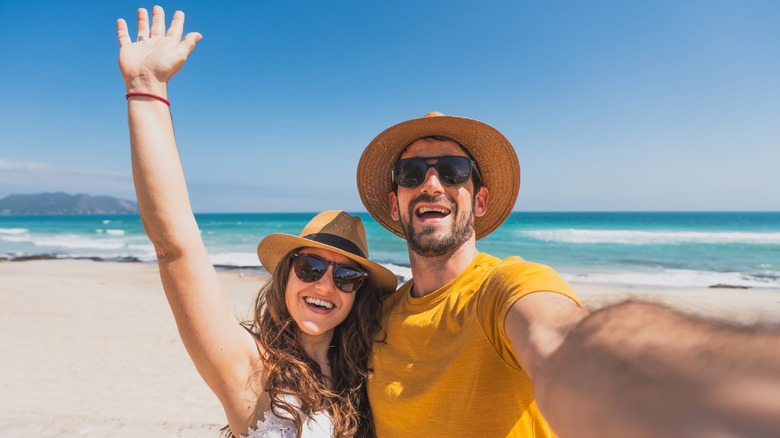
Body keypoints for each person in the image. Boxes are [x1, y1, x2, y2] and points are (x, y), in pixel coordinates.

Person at [356, 112, 780, 437]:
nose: (431, 184)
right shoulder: (378, 315)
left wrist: (713, 390)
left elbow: (563, 344)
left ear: (479, 201)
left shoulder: (503, 287)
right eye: (411, 174)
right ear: (395, 205)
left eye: (453, 171)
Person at [117, 7, 397, 438]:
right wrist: (146, 89)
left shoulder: (373, 376)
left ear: (358, 293)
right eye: (310, 268)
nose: (325, 286)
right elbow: (176, 245)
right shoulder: (249, 367)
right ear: (287, 273)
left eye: (345, 277)